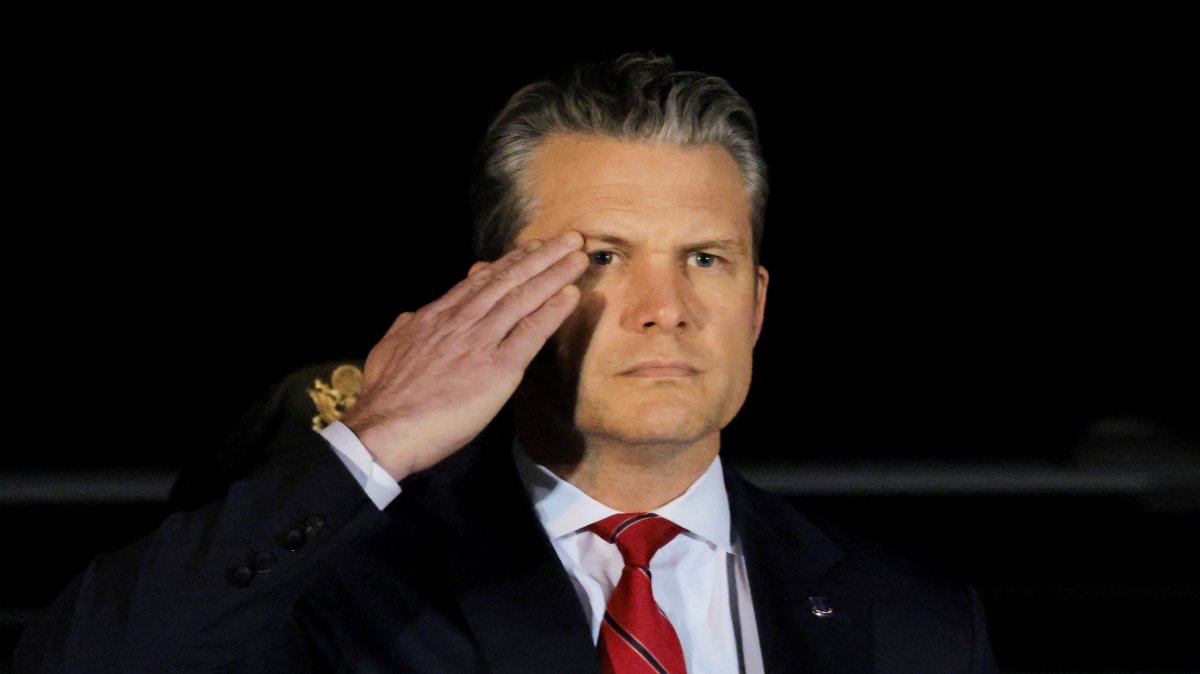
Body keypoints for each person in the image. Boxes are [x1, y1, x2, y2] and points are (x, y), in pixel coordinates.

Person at [12, 52, 998, 673]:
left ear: (759, 304)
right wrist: (380, 438)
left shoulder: (907, 619)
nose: (667, 309)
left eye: (707, 258)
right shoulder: (349, 583)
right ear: (493, 295)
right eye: (603, 257)